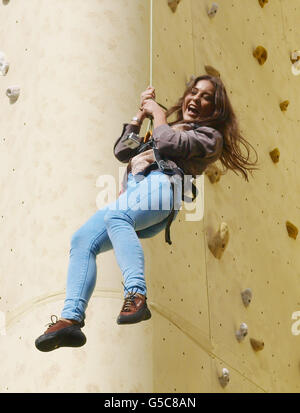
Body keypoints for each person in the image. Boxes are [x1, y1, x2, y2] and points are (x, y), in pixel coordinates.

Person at [35, 75, 259, 352]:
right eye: (194, 92)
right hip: (137, 193)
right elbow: (123, 151)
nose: (196, 99)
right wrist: (140, 115)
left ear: (215, 110)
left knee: (117, 216)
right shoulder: (167, 126)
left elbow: (168, 144)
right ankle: (71, 319)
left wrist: (158, 114)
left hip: (164, 188)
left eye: (206, 98)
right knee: (82, 240)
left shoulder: (210, 137)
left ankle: (136, 294)